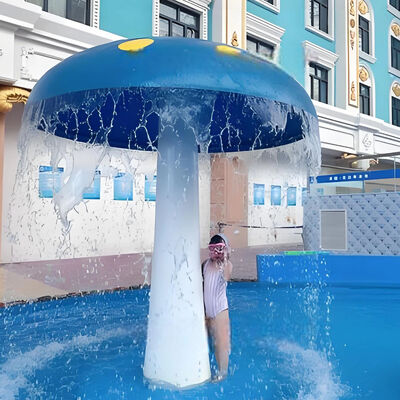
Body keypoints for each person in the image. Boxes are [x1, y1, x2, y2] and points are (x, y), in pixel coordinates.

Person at [202, 233, 233, 380]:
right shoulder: (205, 264)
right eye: (212, 249)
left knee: (221, 344)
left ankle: (222, 373)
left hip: (221, 311)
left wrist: (225, 257)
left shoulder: (226, 265)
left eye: (219, 249)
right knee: (209, 343)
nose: (216, 253)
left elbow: (226, 276)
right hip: (207, 311)